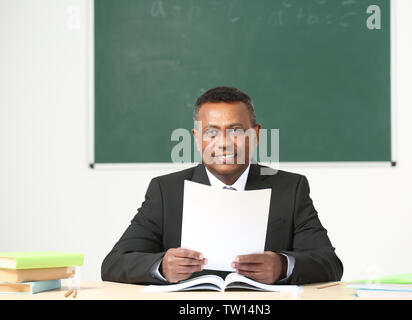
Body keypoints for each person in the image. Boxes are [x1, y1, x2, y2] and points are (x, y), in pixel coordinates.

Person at [101, 86, 343, 285]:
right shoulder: (166, 191)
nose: (224, 144)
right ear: (196, 138)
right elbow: (114, 263)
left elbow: (329, 264)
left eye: (236, 131)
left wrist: (282, 266)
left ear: (256, 135)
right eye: (212, 133)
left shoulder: (290, 188)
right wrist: (162, 266)